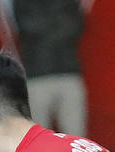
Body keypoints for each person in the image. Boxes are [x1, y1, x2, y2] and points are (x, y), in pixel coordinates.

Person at [11, 0, 86, 137]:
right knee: (36, 144)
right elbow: (28, 26)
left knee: (78, 143)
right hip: (37, 77)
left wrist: (49, 28)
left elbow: (77, 26)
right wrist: (59, 24)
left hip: (68, 74)